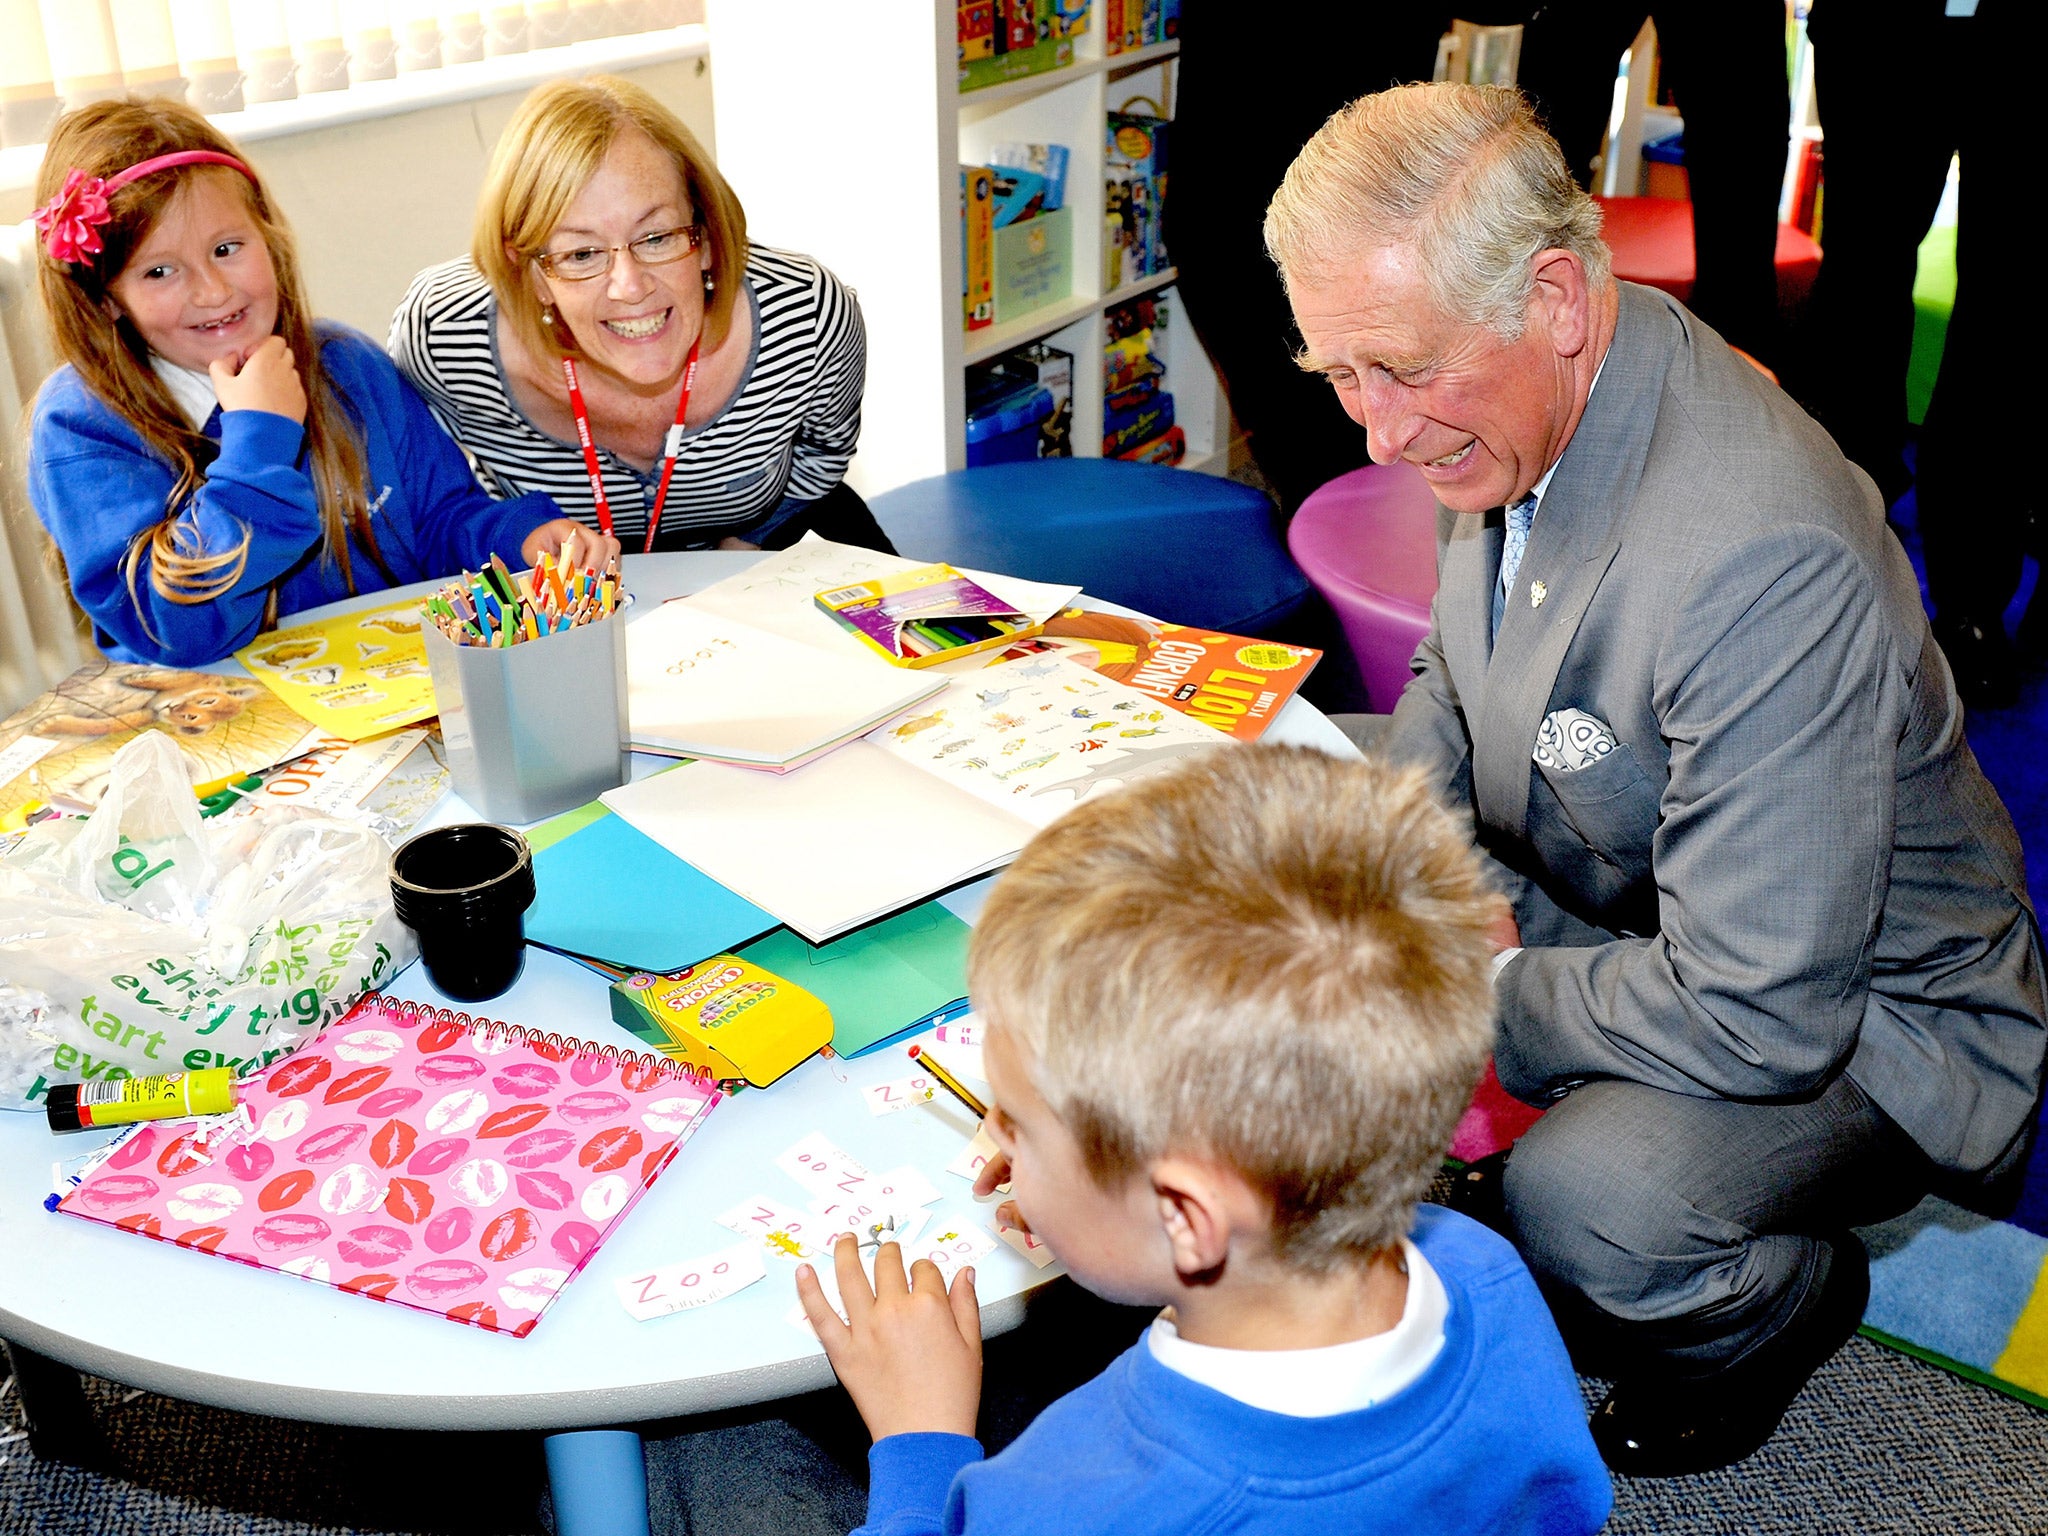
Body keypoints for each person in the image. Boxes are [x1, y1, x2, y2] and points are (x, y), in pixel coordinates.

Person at [1265, 82, 2047, 1477]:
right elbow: (1455, 672)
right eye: (1339, 374)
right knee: (1294, 840)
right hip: (1636, 863)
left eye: (1399, 369)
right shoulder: (1525, 388)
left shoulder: (1757, 552)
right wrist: (1394, 892)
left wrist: (1476, 995)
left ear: (1557, 297)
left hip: (1864, 1005)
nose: (1374, 431)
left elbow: (1763, 1006)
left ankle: (1788, 1301)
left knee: (1598, 1207)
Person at [795, 745, 1613, 1535]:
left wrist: (917, 1441)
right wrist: (1089, 1182)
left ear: (1187, 1214)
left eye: (1018, 1121)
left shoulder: (1068, 1497)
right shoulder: (1485, 1268)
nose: (997, 1136)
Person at [26, 99, 606, 669]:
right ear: (105, 299)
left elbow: (442, 519)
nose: (211, 290)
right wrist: (260, 440)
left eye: (227, 249)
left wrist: (522, 541)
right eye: (159, 271)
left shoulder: (345, 365)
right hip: (224, 726)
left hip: (383, 700)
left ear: (271, 242)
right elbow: (177, 627)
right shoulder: (81, 425)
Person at [391, 76, 892, 556]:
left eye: (656, 238)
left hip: (773, 544)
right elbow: (434, 500)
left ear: (706, 238)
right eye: (581, 254)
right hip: (569, 587)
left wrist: (743, 551)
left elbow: (822, 454)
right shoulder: (443, 335)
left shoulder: (806, 315)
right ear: (534, 275)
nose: (629, 287)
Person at [1797, 0, 2040, 707]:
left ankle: (1970, 604)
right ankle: (1827, 568)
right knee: (1860, 285)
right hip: (1885, 21)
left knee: (2008, 309)